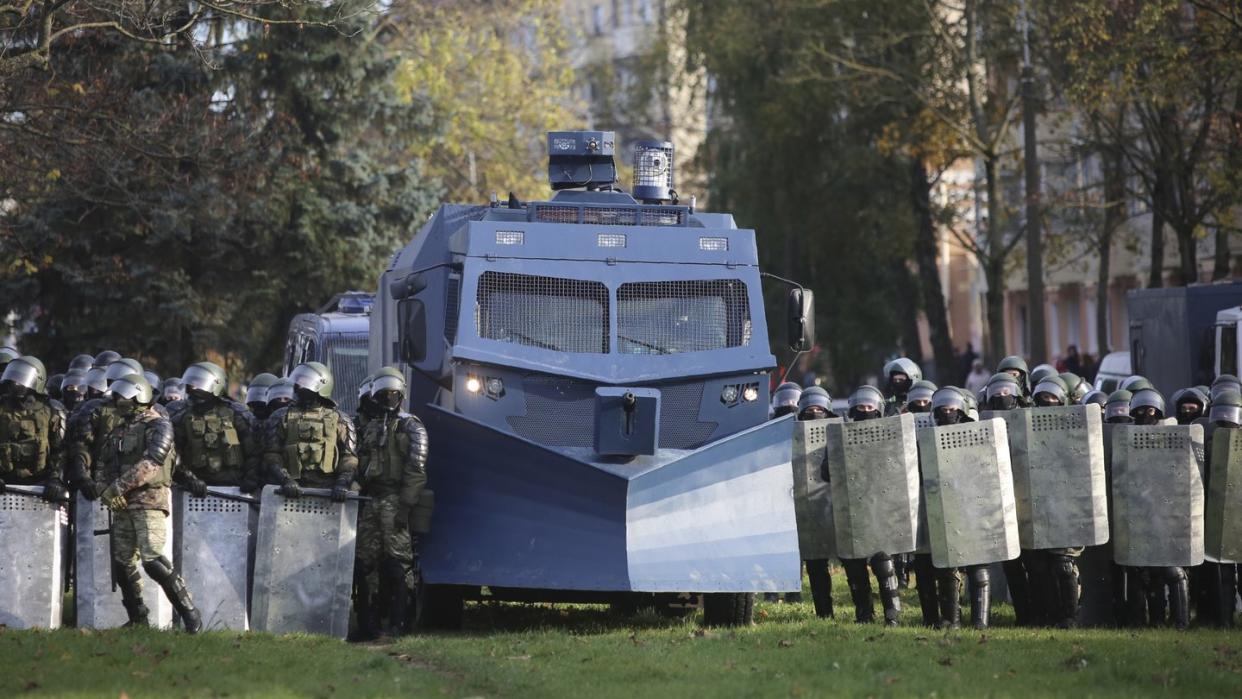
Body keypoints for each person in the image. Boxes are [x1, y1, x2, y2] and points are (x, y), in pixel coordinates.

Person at [95, 373, 201, 632]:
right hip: (122, 503)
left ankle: (191, 615)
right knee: (122, 563)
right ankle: (137, 618)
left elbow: (151, 463)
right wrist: (104, 490)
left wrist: (116, 488)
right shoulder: (119, 429)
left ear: (139, 396)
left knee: (152, 560)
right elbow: (102, 465)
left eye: (124, 396)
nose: (119, 400)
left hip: (149, 501)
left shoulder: (159, 425)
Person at [352, 367, 429, 638]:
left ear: (401, 394)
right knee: (364, 564)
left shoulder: (412, 426)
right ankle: (367, 626)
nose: (387, 398)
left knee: (399, 565)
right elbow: (360, 463)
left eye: (392, 393)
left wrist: (405, 507)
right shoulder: (371, 426)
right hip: (371, 499)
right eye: (383, 393)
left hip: (396, 501)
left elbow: (416, 470)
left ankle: (400, 624)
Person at [1127, 388, 1190, 630]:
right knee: (1147, 570)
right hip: (1139, 511)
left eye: (1150, 410)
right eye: (1140, 410)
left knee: (1173, 570)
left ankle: (1181, 623)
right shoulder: (1128, 438)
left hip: (1169, 510)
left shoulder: (1173, 436)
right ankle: (1152, 622)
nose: (1145, 414)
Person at [838, 386, 902, 626]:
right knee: (854, 566)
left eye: (870, 408)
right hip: (852, 510)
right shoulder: (841, 437)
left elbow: (898, 468)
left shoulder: (887, 438)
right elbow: (827, 470)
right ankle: (864, 614)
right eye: (861, 408)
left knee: (883, 562)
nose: (865, 411)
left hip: (880, 508)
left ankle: (892, 613)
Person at [263, 362, 357, 499]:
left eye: (305, 381)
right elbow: (272, 454)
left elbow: (349, 458)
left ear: (322, 385)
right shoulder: (280, 416)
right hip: (290, 491)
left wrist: (343, 483)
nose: (299, 386)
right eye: (298, 381)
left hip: (327, 491)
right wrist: (285, 480)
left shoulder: (340, 419)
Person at [171, 362, 261, 495]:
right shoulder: (182, 416)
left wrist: (250, 479)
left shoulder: (236, 413)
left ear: (216, 385)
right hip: (196, 489)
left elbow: (254, 450)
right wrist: (189, 480)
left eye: (200, 383)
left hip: (234, 488)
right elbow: (174, 455)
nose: (194, 388)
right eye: (192, 384)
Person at [0, 356, 69, 503]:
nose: (15, 382)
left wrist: (56, 480)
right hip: (4, 484)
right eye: (12, 376)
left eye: (20, 377)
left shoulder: (53, 410)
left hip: (41, 487)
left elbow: (60, 451)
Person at [1200, 389, 1240, 628]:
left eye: (1230, 413)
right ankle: (1224, 621)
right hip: (1215, 510)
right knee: (1222, 574)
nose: (1226, 418)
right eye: (1221, 413)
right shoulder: (1208, 442)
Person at [795, 387, 834, 619]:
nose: (815, 413)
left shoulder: (841, 429)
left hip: (837, 505)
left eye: (819, 409)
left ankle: (864, 613)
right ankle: (824, 613)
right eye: (810, 410)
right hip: (807, 506)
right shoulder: (791, 433)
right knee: (816, 562)